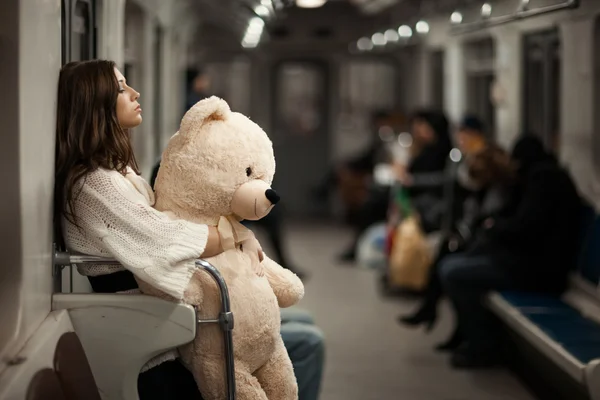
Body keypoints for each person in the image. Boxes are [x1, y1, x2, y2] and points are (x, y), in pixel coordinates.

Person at [54, 60, 324, 399]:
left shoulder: (118, 173)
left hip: (166, 317)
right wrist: (235, 236)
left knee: (300, 331)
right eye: (122, 88)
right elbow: (169, 238)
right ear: (94, 104)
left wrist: (241, 236)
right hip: (149, 329)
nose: (135, 93)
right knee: (308, 342)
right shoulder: (94, 184)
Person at [439, 134, 582, 369]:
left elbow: (526, 228)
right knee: (456, 263)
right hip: (530, 261)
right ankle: (473, 339)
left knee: (454, 272)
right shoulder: (542, 177)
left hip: (537, 270)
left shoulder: (542, 180)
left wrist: (495, 227)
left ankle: (482, 346)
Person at [397, 115, 491, 345]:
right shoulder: (458, 157)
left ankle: (437, 314)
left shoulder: (481, 160)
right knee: (442, 259)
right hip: (463, 229)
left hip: (475, 235)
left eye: (466, 133)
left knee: (447, 262)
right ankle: (437, 314)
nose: (462, 138)